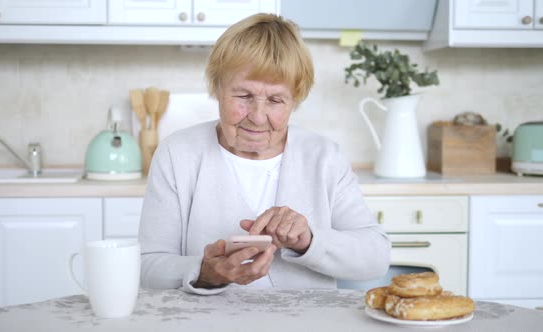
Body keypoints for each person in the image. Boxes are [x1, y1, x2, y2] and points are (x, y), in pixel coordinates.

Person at [138, 13, 390, 295]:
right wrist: (204, 273)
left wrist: (309, 240)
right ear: (217, 89)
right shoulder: (178, 154)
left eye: (275, 100)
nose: (258, 117)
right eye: (244, 96)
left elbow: (376, 257)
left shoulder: (324, 157)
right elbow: (148, 267)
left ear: (295, 100)